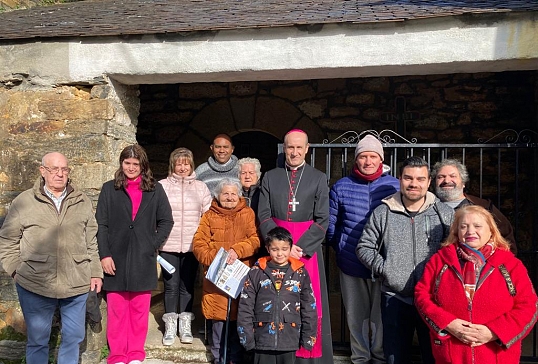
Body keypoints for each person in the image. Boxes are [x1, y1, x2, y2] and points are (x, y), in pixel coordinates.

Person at [0, 152, 103, 364]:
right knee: (37, 340)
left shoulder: (81, 200)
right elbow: (7, 240)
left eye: (64, 169)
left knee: (73, 337)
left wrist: (95, 272)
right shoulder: (25, 201)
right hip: (35, 282)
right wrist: (15, 270)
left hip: (77, 282)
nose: (60, 174)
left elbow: (91, 240)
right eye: (54, 169)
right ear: (42, 171)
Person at [356, 156, 454, 364]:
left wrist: (441, 278)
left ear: (429, 182)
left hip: (434, 298)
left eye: (420, 179)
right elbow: (364, 247)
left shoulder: (443, 213)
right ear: (400, 179)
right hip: (395, 297)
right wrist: (387, 269)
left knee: (434, 357)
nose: (414, 184)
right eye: (408, 178)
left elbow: (455, 249)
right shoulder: (383, 212)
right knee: (395, 358)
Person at [415, 205, 537, 364]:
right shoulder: (439, 261)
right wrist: (448, 323)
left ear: (491, 230)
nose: (470, 231)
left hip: (496, 356)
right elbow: (421, 296)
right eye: (463, 226)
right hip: (451, 354)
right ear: (456, 232)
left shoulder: (511, 265)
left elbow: (529, 306)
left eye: (477, 226)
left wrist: (494, 332)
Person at [258, 129, 333, 364]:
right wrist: (282, 246)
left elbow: (323, 219)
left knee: (307, 301)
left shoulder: (318, 178)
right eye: (290, 147)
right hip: (276, 249)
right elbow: (263, 215)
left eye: (299, 147)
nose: (295, 152)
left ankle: (307, 355)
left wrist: (299, 248)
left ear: (307, 148)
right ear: (284, 148)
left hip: (305, 251)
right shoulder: (270, 177)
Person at [96, 144, 174, 364]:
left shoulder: (155, 189)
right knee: (118, 309)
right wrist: (104, 255)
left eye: (135, 164)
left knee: (139, 310)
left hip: (143, 256)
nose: (131, 168)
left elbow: (166, 220)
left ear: (143, 166)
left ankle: (136, 354)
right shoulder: (109, 189)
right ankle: (118, 354)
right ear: (121, 164)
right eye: (127, 163)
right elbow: (101, 225)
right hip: (115, 256)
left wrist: (153, 244)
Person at [326, 135, 400, 364]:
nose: (368, 161)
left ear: (381, 159)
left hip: (383, 262)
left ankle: (378, 357)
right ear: (356, 160)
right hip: (350, 261)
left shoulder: (394, 185)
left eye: (373, 156)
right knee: (355, 316)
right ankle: (359, 357)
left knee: (380, 316)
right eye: (363, 156)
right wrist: (340, 247)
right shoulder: (341, 186)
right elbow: (331, 224)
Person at [192, 178, 260, 364]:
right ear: (218, 195)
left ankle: (234, 359)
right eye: (225, 194)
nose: (229, 197)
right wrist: (217, 259)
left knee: (239, 322)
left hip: (240, 276)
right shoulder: (208, 216)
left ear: (239, 195)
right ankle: (218, 359)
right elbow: (199, 245)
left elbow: (255, 240)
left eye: (233, 194)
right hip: (216, 279)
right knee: (219, 324)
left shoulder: (248, 214)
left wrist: (237, 251)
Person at [237, 226, 318, 364]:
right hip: (262, 339)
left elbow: (309, 307)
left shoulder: (300, 273)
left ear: (291, 248)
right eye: (275, 249)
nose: (280, 253)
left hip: (289, 338)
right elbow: (245, 306)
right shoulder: (256, 272)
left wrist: (308, 337)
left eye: (284, 249)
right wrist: (247, 338)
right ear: (268, 249)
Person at [159, 147, 212, 346]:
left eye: (186, 163)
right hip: (167, 245)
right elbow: (155, 214)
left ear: (191, 165)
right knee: (171, 286)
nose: (182, 167)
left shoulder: (201, 187)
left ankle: (185, 324)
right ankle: (170, 326)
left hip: (192, 246)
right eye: (179, 163)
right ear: (173, 165)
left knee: (187, 286)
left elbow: (207, 216)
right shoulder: (162, 186)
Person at [431, 158, 517, 254]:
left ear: (463, 182)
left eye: (453, 176)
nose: (446, 180)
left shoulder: (483, 206)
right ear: (434, 183)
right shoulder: (427, 208)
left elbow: (506, 240)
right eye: (441, 177)